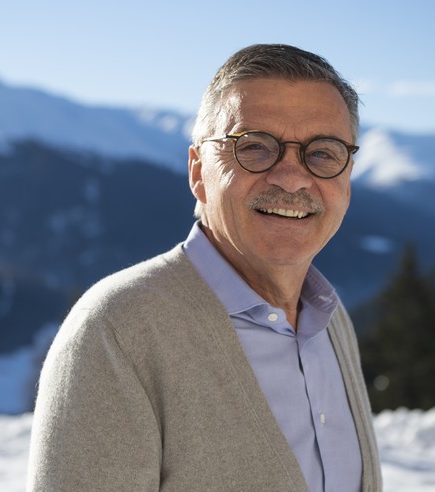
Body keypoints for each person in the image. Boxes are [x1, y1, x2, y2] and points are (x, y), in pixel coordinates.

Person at [27, 44, 382, 491]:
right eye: (254, 147)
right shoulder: (118, 330)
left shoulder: (329, 320)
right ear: (198, 171)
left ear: (347, 175)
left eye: (324, 153)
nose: (292, 178)